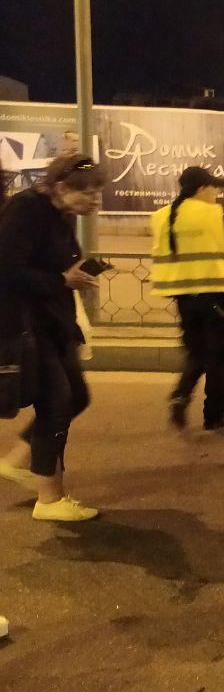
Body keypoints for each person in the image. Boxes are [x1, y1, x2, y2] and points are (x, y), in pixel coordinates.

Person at [0, 153, 104, 521]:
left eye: (98, 191)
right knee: (57, 402)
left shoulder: (61, 215)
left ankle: (20, 461)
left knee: (76, 396)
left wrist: (72, 275)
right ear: (61, 187)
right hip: (28, 326)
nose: (95, 199)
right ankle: (50, 499)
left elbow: (55, 265)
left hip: (55, 322)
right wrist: (63, 280)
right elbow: (8, 269)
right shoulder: (27, 208)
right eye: (87, 191)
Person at [151, 167, 224, 430]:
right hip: (216, 296)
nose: (217, 193)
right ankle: (214, 415)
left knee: (197, 351)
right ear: (202, 188)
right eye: (215, 188)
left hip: (183, 297)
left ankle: (180, 394)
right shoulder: (213, 214)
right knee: (222, 356)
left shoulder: (162, 216)